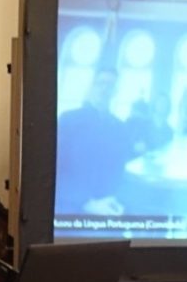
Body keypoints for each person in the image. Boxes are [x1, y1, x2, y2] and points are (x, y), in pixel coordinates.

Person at [56, 66, 134, 216]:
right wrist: (86, 202)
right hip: (72, 206)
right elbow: (57, 169)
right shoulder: (68, 120)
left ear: (116, 91)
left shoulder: (119, 127)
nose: (104, 89)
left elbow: (119, 171)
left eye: (110, 86)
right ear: (92, 86)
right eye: (101, 83)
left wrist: (114, 199)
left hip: (110, 206)